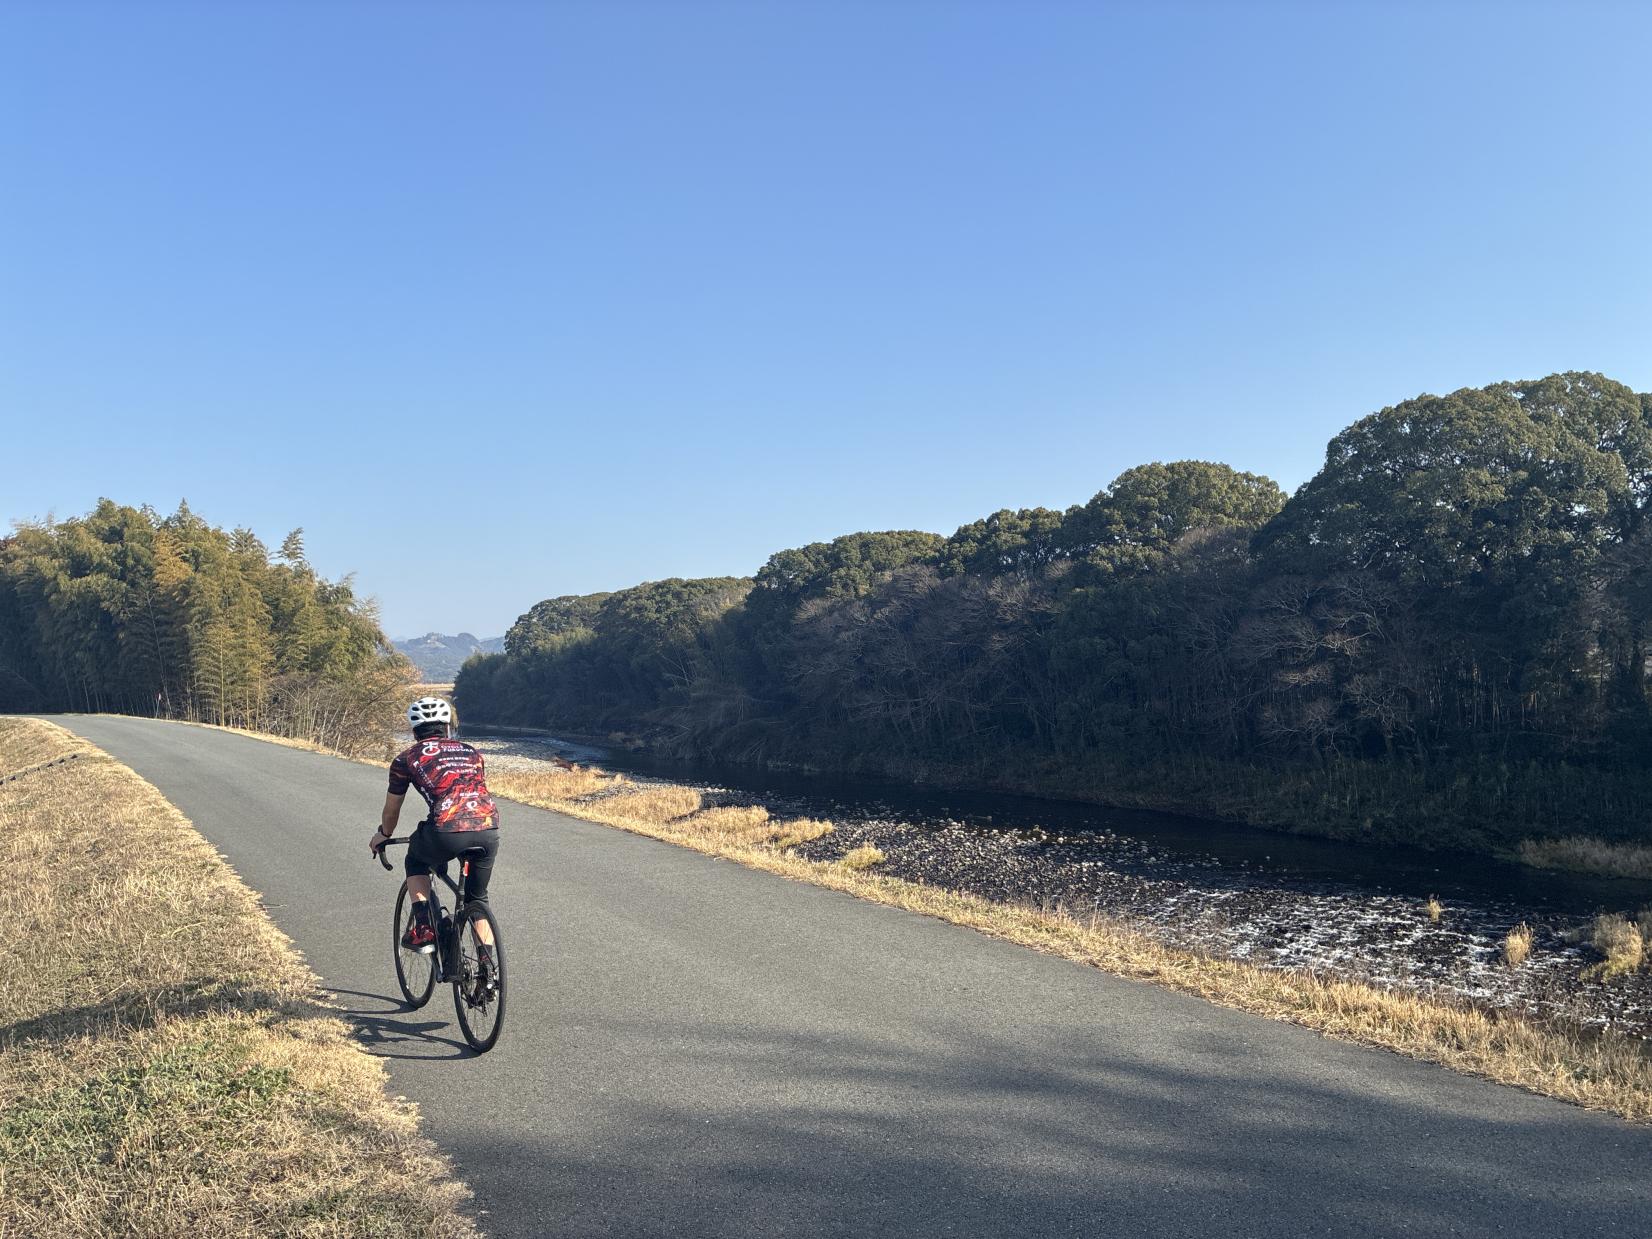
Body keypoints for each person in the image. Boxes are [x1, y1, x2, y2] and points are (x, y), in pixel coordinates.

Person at [369, 695, 500, 978]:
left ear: (414, 731)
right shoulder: (472, 752)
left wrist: (383, 834)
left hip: (445, 831)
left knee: (416, 860)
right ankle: (487, 969)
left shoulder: (406, 759)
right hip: (488, 828)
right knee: (477, 899)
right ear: (448, 727)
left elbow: (392, 810)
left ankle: (424, 926)